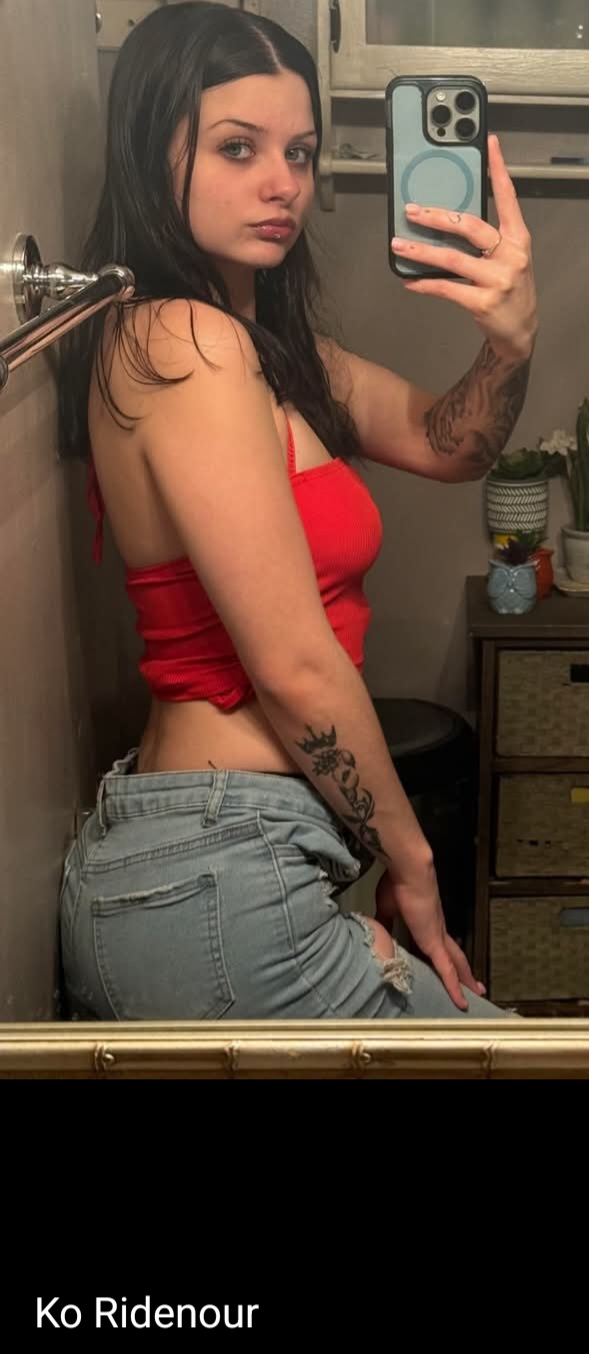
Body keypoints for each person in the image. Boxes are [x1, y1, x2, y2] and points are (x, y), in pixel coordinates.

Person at [58, 2, 537, 1022]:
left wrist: (509, 341)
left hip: (225, 854)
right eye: (238, 148)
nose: (283, 183)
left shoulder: (266, 353)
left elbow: (453, 444)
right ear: (151, 151)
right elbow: (293, 663)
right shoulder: (184, 341)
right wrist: (410, 863)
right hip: (219, 861)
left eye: (301, 153)